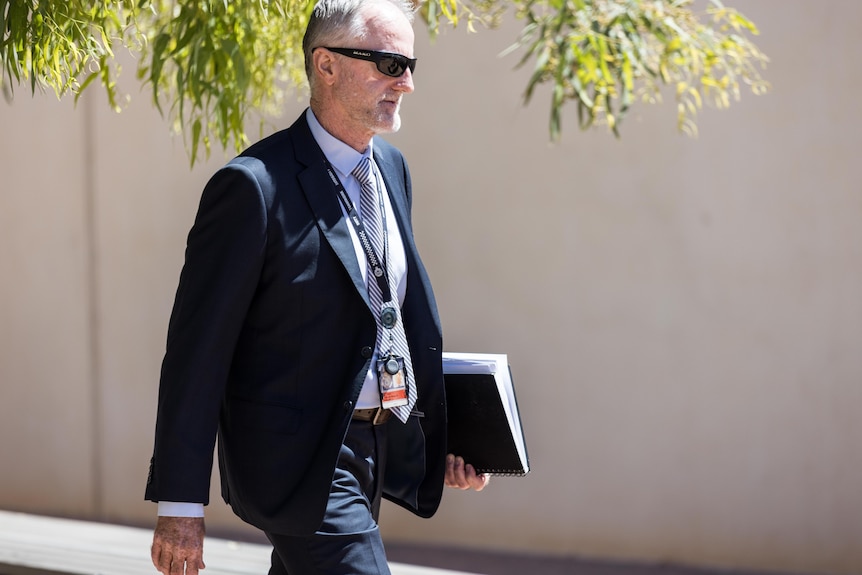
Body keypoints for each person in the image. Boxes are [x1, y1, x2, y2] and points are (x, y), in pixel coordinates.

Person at [145, 1, 489, 574]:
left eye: (410, 65)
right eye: (386, 62)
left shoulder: (393, 172)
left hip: (376, 448)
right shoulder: (252, 189)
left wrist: (448, 435)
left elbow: (384, 318)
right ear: (325, 65)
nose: (404, 83)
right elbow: (196, 351)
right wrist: (180, 504)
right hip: (297, 459)